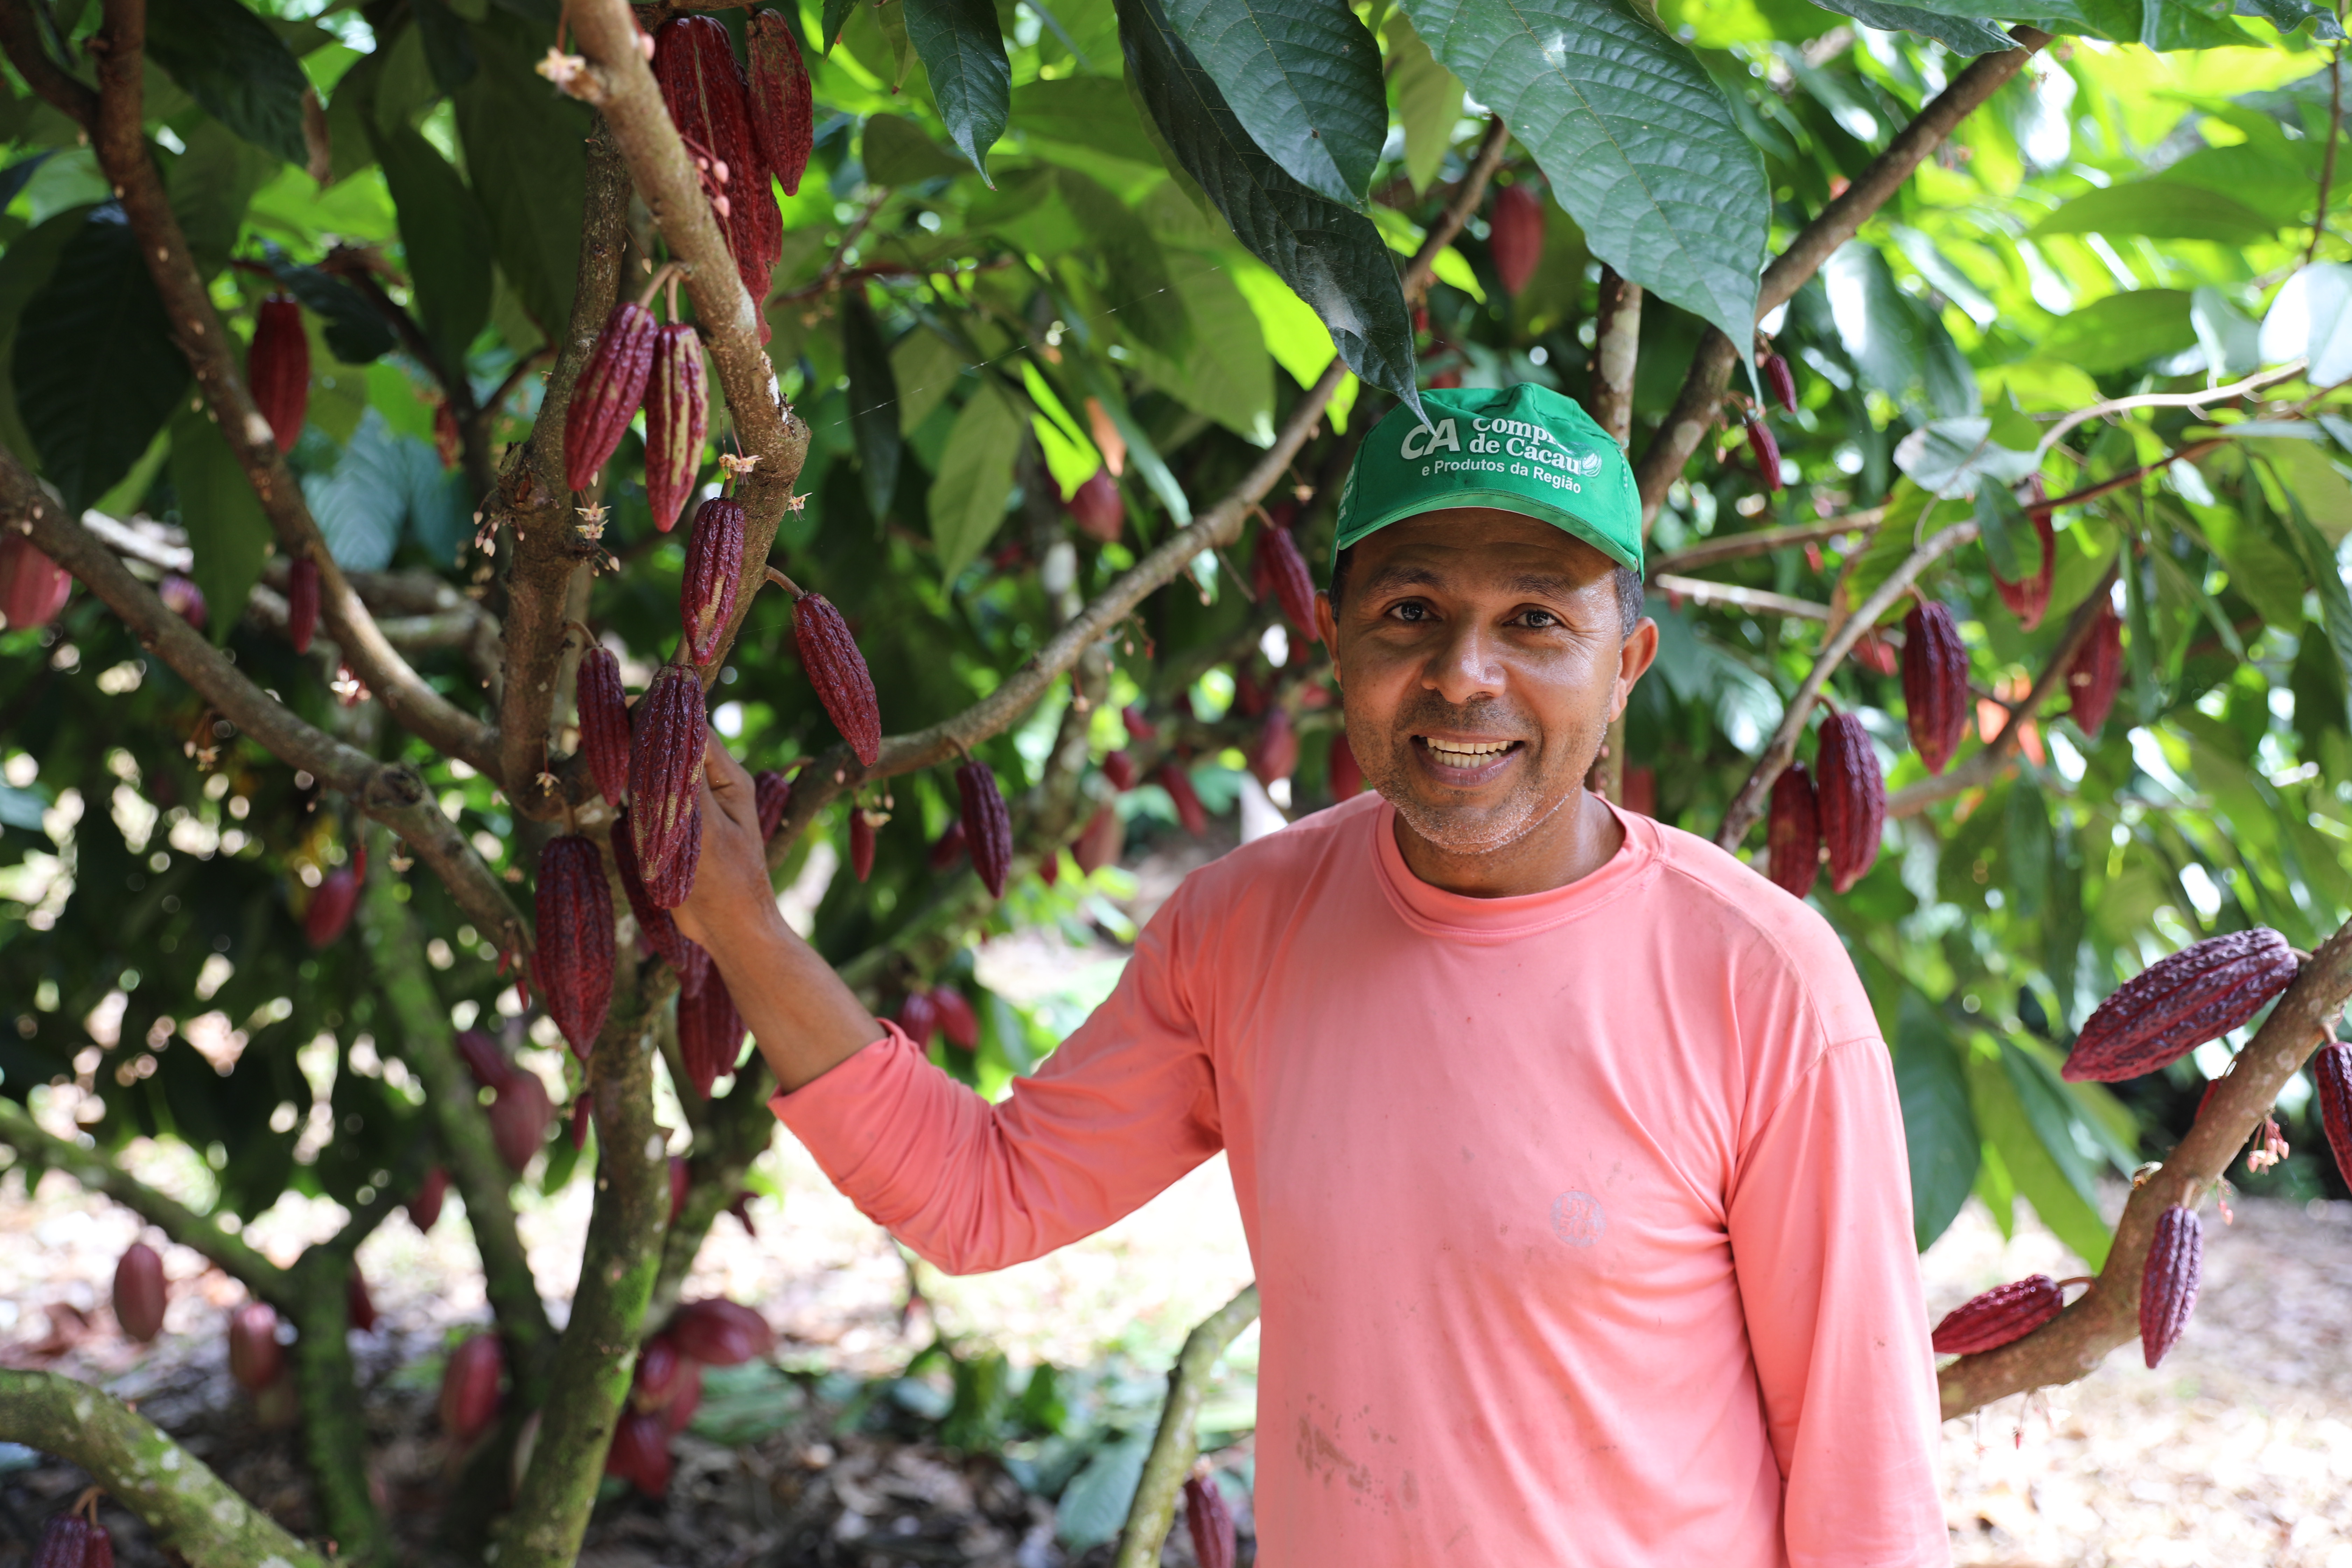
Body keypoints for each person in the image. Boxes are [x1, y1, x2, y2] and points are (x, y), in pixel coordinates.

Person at [674, 383, 1946, 1567]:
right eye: (1411, 612)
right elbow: (982, 1196)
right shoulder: (1245, 927)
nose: (1465, 672)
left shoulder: (1764, 985)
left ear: (1626, 665)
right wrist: (740, 923)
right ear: (1334, 639)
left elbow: (1864, 1472)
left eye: (1537, 619)